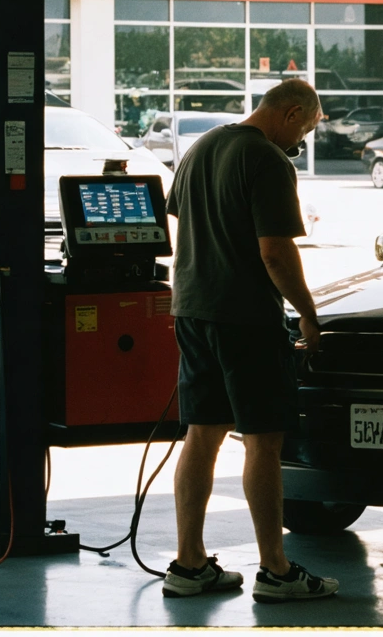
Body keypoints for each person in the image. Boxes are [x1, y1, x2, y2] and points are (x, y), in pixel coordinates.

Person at [161, 78, 339, 604]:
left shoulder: (201, 148)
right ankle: (277, 570)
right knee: (264, 439)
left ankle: (189, 564)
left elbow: (183, 222)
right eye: (303, 130)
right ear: (289, 113)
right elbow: (275, 254)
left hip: (192, 310)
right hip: (246, 319)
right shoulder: (266, 160)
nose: (300, 143)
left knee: (202, 433)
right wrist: (308, 315)